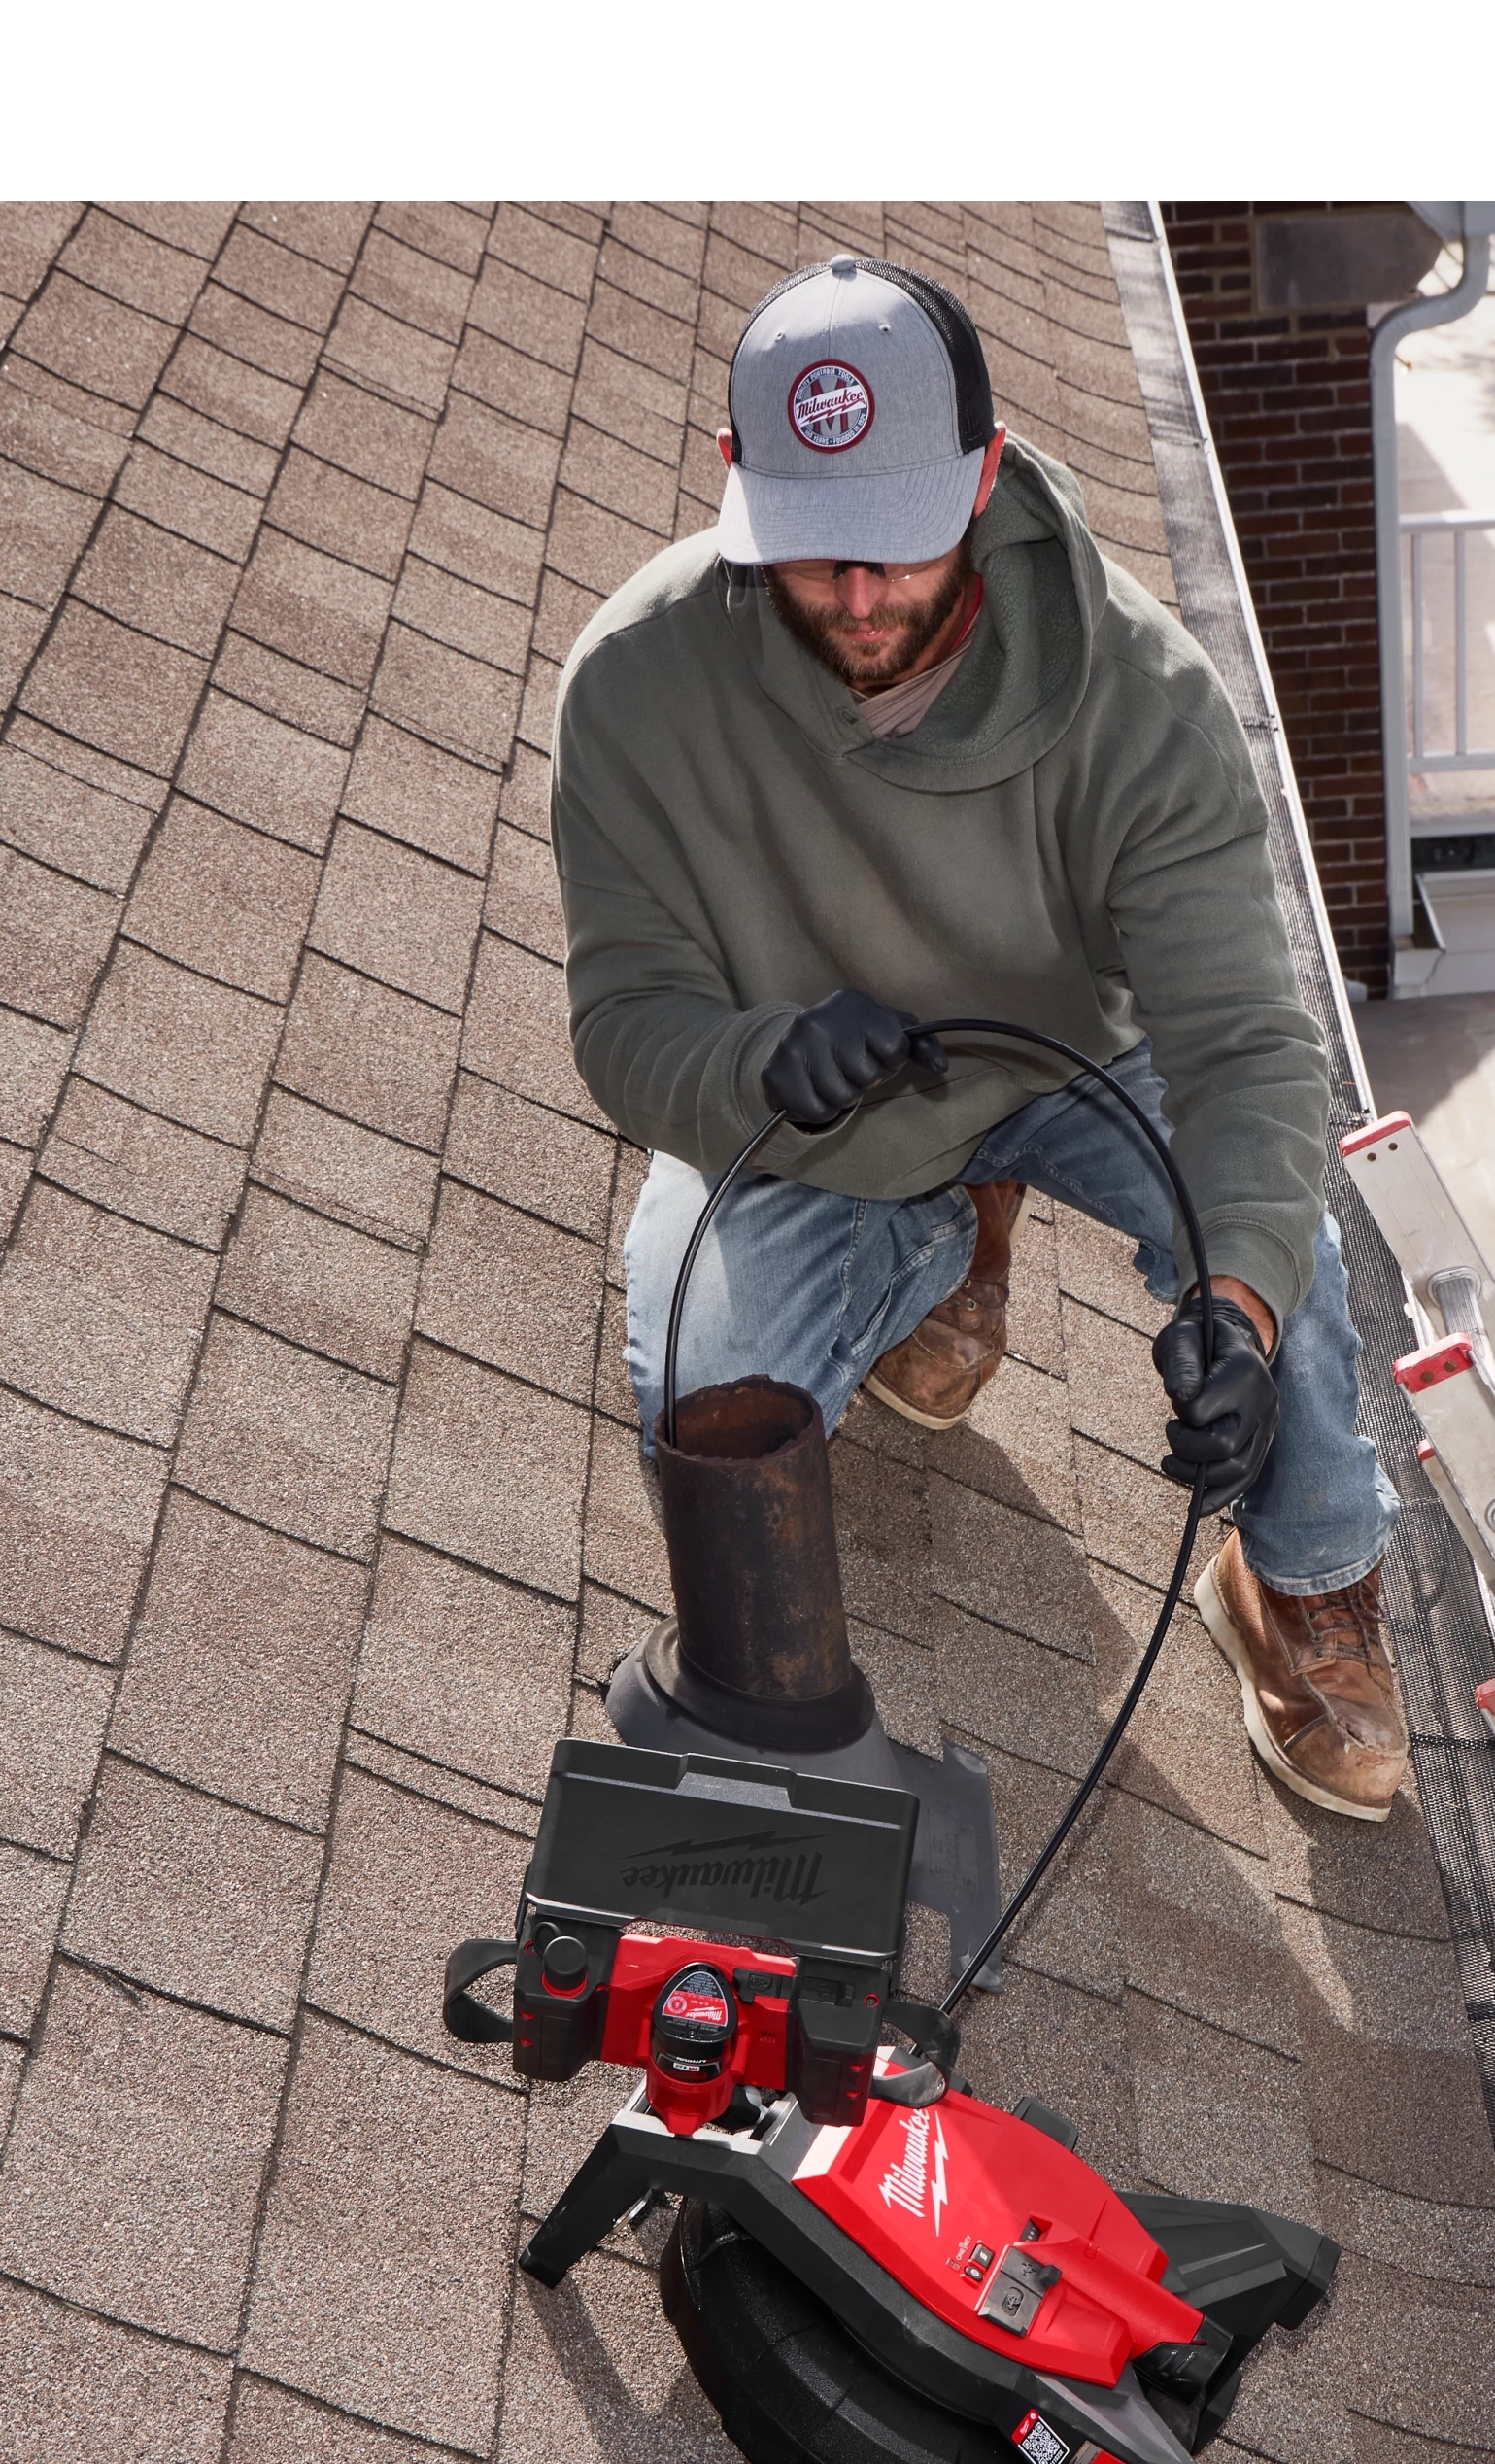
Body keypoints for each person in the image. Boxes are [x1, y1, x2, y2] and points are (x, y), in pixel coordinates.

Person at [548, 253, 1409, 1821]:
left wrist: (1234, 1313)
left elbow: (1244, 1054)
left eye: (898, 544)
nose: (858, 598)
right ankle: (946, 1238)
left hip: (1086, 1053)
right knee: (699, 1396)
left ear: (985, 473)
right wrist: (755, 1062)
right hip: (827, 1110)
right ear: (736, 479)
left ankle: (1301, 1576)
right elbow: (623, 1026)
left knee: (1285, 1240)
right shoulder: (634, 685)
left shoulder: (1144, 699)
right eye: (813, 552)